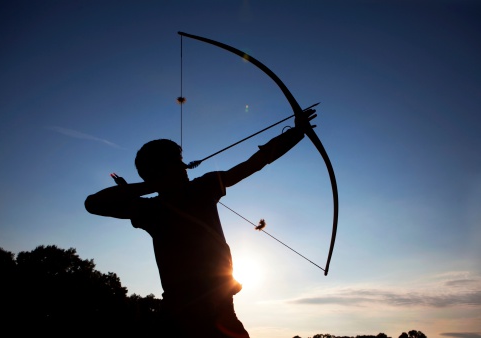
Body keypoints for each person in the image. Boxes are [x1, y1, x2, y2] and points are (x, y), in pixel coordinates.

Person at [84, 107, 318, 337]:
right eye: (176, 161)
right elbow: (92, 204)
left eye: (181, 160)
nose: (184, 166)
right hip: (179, 315)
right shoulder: (151, 209)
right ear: (159, 170)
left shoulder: (200, 188)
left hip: (219, 310)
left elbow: (253, 164)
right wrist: (154, 186)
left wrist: (295, 133)